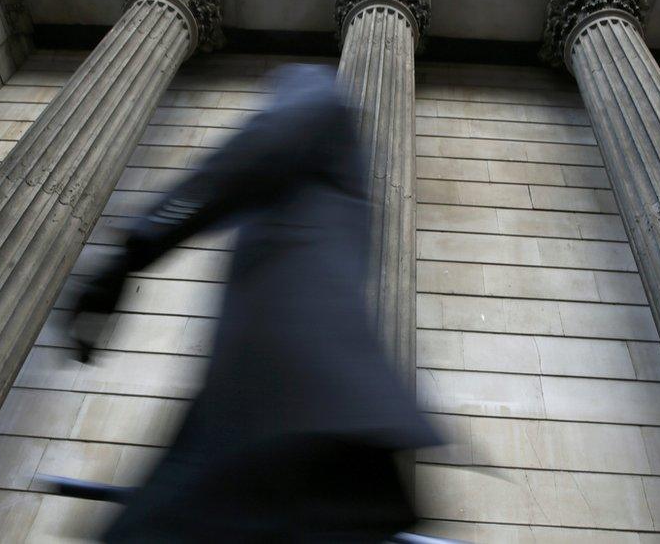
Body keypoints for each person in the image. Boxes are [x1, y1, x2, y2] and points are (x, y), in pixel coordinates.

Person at [65, 64, 442, 543]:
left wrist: (133, 248)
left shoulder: (319, 105)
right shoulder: (317, 187)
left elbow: (255, 149)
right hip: (274, 406)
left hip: (290, 400)